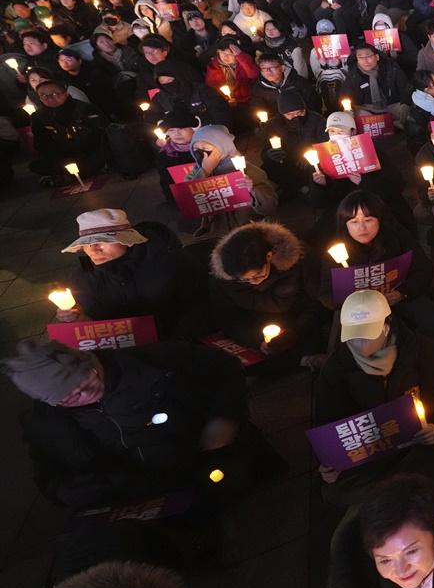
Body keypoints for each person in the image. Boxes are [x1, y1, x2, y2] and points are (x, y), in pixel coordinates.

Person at [0, 337, 255, 509]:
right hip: (133, 498)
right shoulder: (46, 423)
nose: (87, 393)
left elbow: (225, 368)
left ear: (89, 360)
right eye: (71, 397)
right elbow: (49, 477)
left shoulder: (152, 361)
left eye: (88, 380)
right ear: (51, 403)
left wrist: (225, 416)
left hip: (200, 462)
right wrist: (81, 491)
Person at [313, 291, 434, 506]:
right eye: (353, 335)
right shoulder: (336, 368)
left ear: (386, 327)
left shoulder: (420, 349)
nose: (358, 343)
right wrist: (331, 461)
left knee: (433, 459)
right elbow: (327, 419)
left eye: (367, 334)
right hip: (374, 455)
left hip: (419, 444)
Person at [206, 221, 327, 365]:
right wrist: (258, 342)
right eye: (245, 280)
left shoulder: (300, 260)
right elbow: (229, 318)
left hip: (298, 321)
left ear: (269, 257)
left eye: (258, 275)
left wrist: (295, 332)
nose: (253, 282)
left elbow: (318, 302)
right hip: (255, 328)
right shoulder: (224, 279)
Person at [319, 190, 434, 335]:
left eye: (368, 220)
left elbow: (423, 268)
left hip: (397, 297)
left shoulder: (397, 236)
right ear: (345, 224)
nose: (361, 228)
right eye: (354, 222)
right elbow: (326, 292)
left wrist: (403, 293)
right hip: (359, 310)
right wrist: (353, 303)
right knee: (343, 328)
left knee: (426, 311)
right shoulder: (337, 248)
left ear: (380, 219)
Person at [55, 209, 191, 336]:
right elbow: (92, 320)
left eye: (103, 241)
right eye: (87, 243)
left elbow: (194, 303)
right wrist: (78, 318)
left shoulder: (165, 262)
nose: (94, 249)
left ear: (127, 240)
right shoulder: (82, 278)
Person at [29, 78, 108, 186]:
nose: (50, 98)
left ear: (66, 93)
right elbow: (40, 143)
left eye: (54, 94)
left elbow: (99, 133)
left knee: (95, 160)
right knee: (37, 165)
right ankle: (67, 175)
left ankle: (65, 177)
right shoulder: (38, 116)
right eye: (43, 96)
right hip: (62, 154)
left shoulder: (85, 109)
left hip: (88, 151)